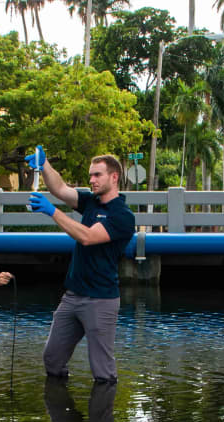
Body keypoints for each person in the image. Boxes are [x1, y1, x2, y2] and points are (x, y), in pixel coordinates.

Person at [25, 146, 135, 383]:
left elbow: (87, 237)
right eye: (90, 175)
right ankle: (64, 411)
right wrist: (44, 165)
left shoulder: (123, 215)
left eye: (97, 175)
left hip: (101, 300)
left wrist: (52, 212)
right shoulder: (91, 202)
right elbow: (60, 189)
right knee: (52, 360)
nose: (91, 179)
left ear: (114, 177)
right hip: (73, 296)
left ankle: (101, 418)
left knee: (102, 372)